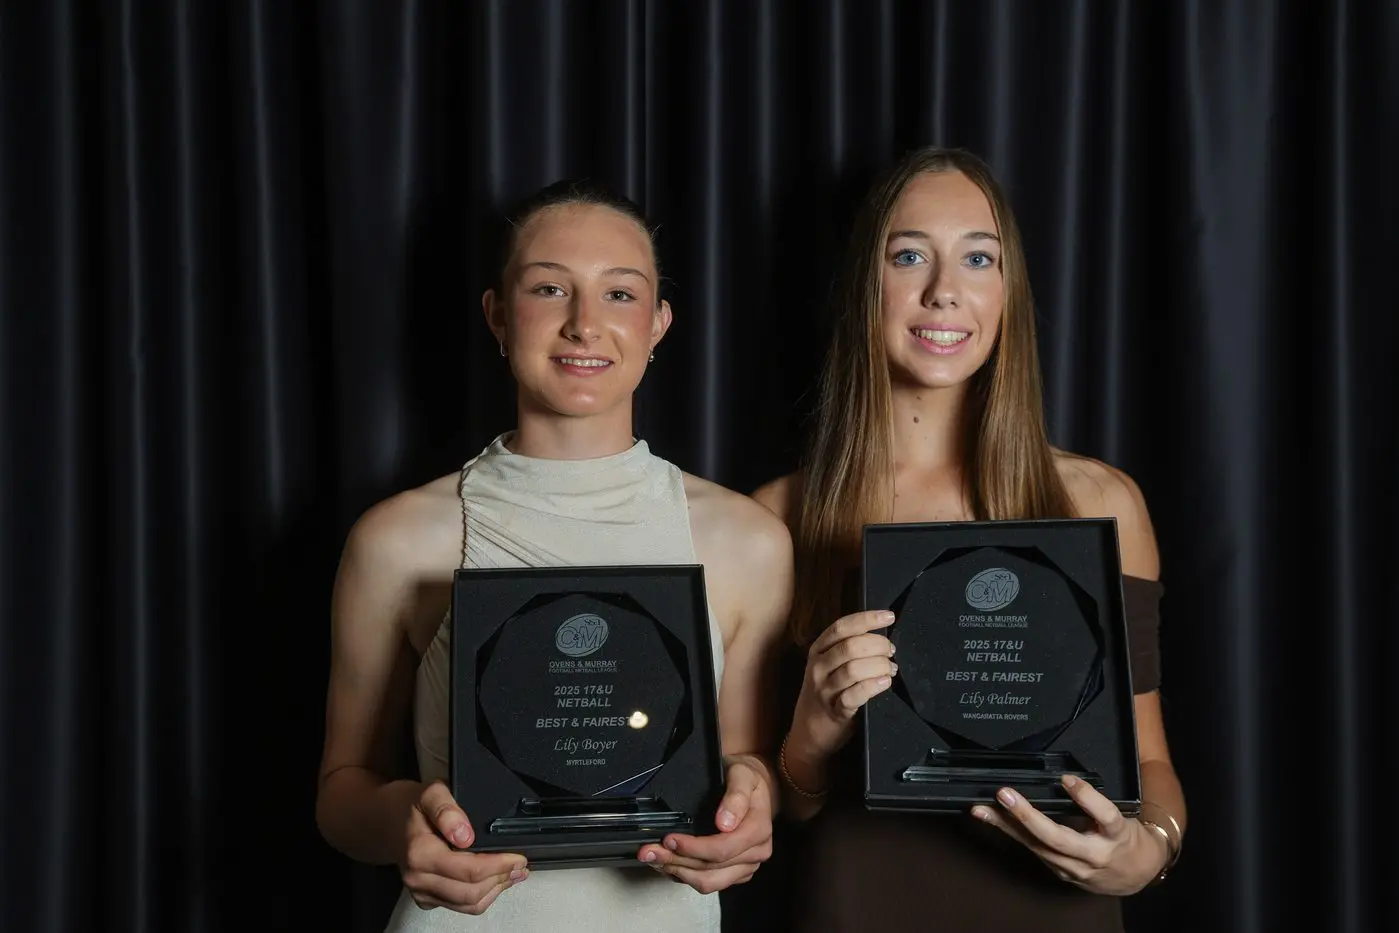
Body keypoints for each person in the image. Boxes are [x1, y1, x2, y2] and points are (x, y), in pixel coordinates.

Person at [316, 179, 793, 932]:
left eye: (620, 294)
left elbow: (750, 761)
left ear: (659, 324)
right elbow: (341, 794)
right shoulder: (397, 538)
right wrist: (407, 817)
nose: (583, 324)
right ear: (498, 316)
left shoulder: (748, 539)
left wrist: (750, 806)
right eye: (548, 288)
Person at [752, 146, 1187, 932]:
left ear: (1007, 290)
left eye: (977, 259)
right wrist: (808, 738)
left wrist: (1146, 848)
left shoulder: (1099, 502)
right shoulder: (775, 516)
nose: (943, 291)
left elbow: (1147, 760)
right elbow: (775, 809)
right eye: (909, 254)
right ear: (864, 284)